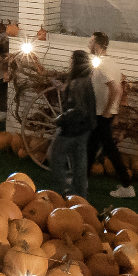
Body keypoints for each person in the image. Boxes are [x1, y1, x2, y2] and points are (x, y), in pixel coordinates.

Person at [88, 33, 137, 199]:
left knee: (109, 149)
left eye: (90, 40)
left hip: (102, 114)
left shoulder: (103, 64)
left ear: (96, 44)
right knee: (92, 146)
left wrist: (108, 110)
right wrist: (114, 110)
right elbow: (120, 88)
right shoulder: (111, 63)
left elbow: (115, 89)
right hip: (103, 113)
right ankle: (81, 180)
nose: (88, 43)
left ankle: (127, 186)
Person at [47, 50, 96, 198]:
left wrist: (61, 119)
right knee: (79, 161)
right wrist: (63, 88)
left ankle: (63, 190)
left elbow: (77, 109)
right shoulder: (86, 81)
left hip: (71, 129)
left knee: (55, 156)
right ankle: (80, 195)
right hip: (85, 128)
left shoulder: (76, 83)